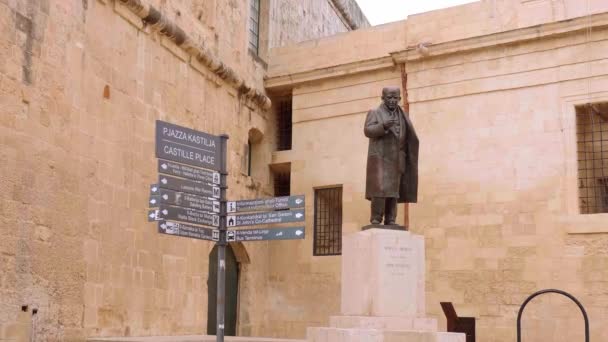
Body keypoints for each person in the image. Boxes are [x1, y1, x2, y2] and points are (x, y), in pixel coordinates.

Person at [364, 87, 419, 226]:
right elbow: (368, 130)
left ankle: (391, 219)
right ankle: (376, 218)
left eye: (396, 98)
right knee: (379, 189)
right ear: (383, 98)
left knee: (394, 191)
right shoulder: (375, 113)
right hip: (380, 158)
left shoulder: (402, 115)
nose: (393, 100)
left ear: (399, 99)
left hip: (397, 159)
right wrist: (383, 126)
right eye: (390, 97)